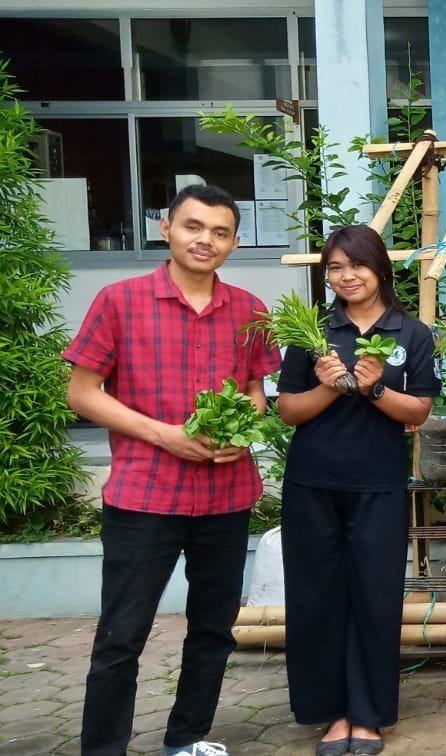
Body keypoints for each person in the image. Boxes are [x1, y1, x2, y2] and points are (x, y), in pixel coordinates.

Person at [65, 185, 282, 756]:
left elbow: (258, 389)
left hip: (226, 496)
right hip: (143, 495)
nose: (204, 240)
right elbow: (83, 393)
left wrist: (242, 433)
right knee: (122, 634)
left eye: (219, 232)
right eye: (193, 226)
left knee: (212, 630)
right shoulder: (120, 300)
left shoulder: (249, 309)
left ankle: (186, 740)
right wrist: (164, 435)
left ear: (234, 242)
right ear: (166, 228)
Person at [274, 225, 440, 756]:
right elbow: (287, 411)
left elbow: (418, 412)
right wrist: (328, 384)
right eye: (336, 268)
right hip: (312, 482)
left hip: (379, 484)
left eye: (357, 266)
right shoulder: (313, 330)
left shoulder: (409, 333)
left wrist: (373, 386)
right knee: (316, 598)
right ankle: (333, 714)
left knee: (375, 596)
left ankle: (368, 715)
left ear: (380, 269)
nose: (347, 277)